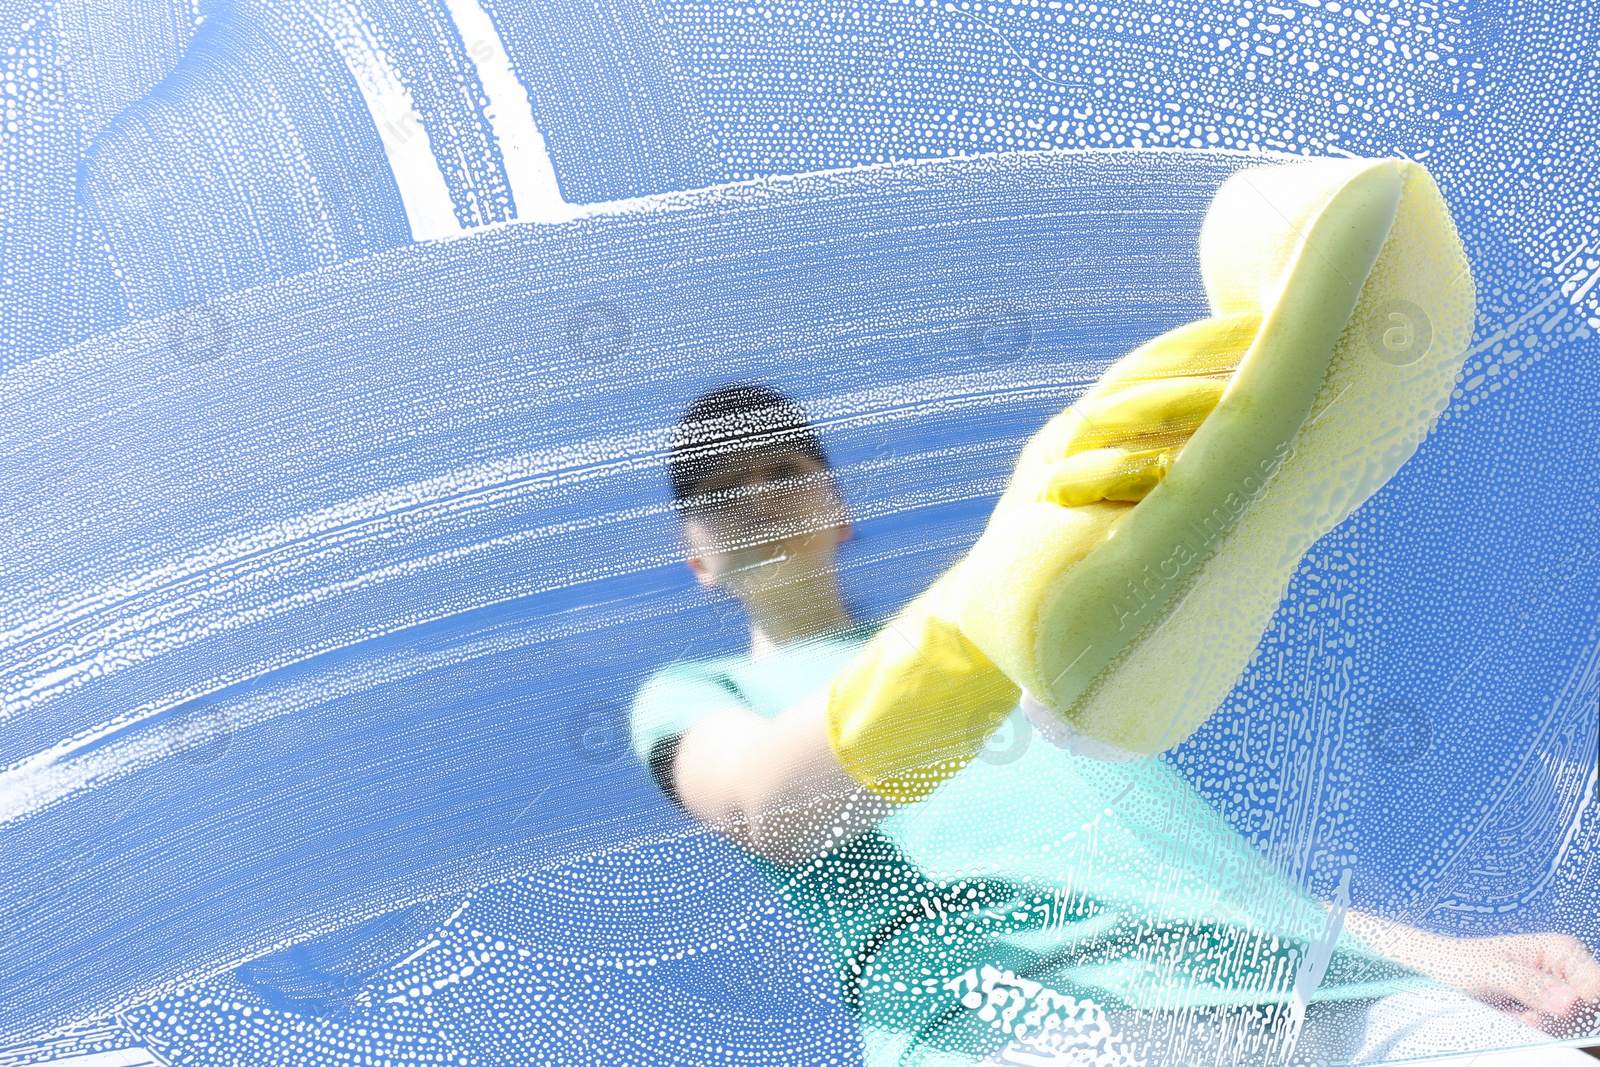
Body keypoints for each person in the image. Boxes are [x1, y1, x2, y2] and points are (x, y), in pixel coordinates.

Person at [629, 383, 1600, 1066]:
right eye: (718, 488)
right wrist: (1008, 573)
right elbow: (770, 804)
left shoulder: (1020, 655)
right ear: (695, 556)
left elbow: (1189, 869)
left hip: (1320, 995)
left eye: (785, 466)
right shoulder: (698, 690)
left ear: (836, 505)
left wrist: (1450, 956)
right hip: (1026, 1019)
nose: (756, 492)